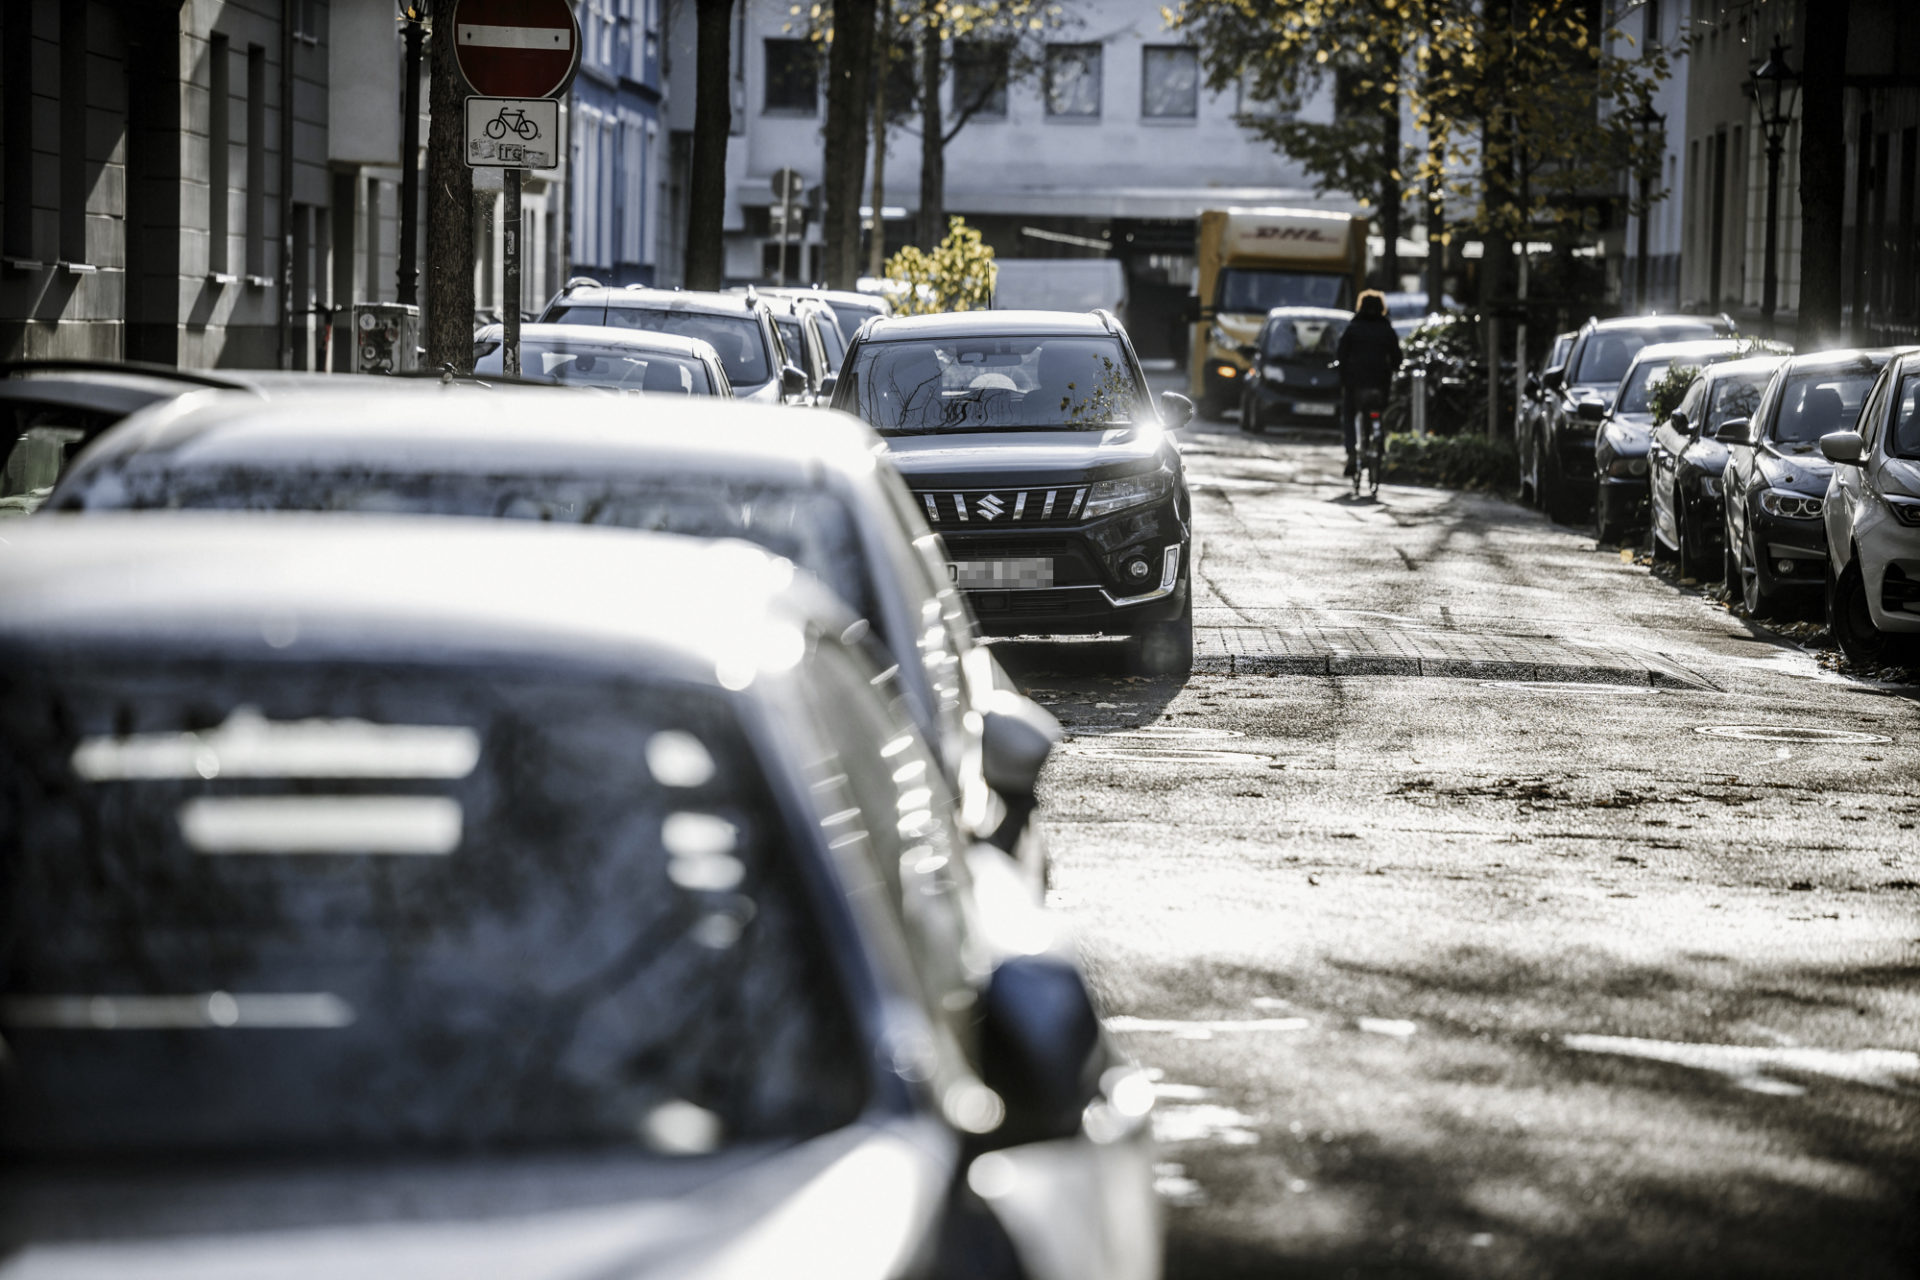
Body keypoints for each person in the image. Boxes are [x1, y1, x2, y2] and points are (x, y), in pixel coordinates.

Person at [1335, 290, 1402, 477]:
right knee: (1377, 411)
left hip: (1355, 383)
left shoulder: (1353, 327)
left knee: (1349, 414)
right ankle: (1378, 445)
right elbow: (1397, 356)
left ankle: (1351, 453)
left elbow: (1341, 354)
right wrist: (1394, 367)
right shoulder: (1387, 329)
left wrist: (1342, 372)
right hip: (1380, 383)